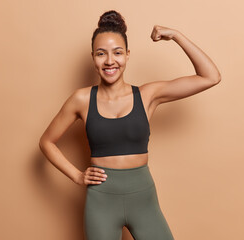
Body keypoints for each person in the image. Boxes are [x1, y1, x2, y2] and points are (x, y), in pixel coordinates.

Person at [39, 10, 221, 240]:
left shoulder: (147, 95)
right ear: (93, 57)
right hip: (101, 201)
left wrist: (176, 36)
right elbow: (46, 142)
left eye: (117, 53)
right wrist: (77, 176)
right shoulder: (82, 100)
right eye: (101, 54)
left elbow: (210, 77)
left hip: (143, 198)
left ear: (127, 55)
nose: (109, 61)